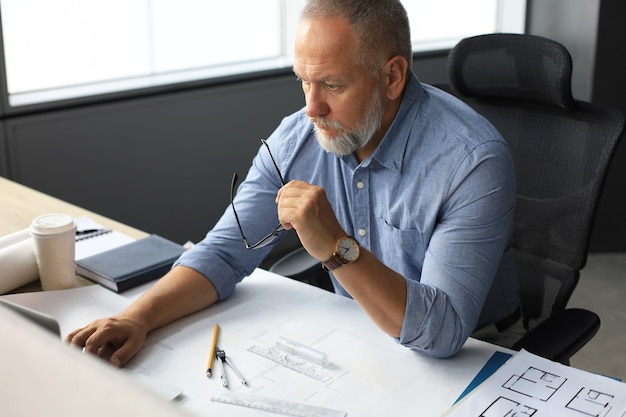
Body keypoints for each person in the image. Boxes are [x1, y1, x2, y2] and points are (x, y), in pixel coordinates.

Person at [67, 0, 518, 364]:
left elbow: (443, 331)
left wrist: (338, 250)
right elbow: (224, 253)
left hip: (476, 354)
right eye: (304, 81)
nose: (311, 108)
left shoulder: (472, 161)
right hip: (364, 342)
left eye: (332, 86)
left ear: (392, 76)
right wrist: (138, 318)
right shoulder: (299, 138)